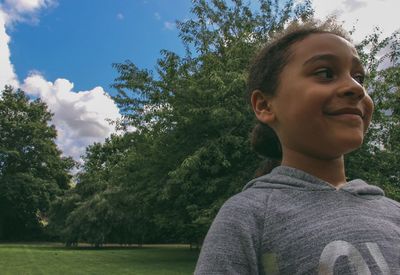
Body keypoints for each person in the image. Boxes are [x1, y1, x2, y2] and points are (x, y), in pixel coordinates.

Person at [195, 18, 400, 274]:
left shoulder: (393, 212)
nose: (356, 88)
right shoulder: (249, 216)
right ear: (265, 106)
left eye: (359, 77)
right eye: (325, 73)